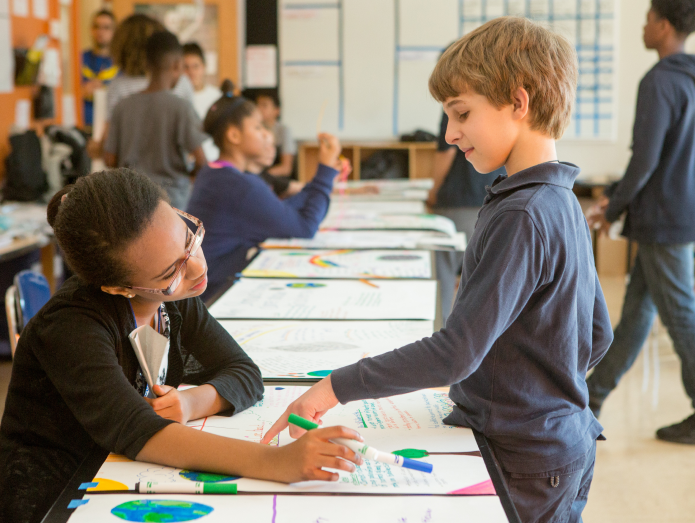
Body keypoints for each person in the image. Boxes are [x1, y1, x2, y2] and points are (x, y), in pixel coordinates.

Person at [261, 17, 613, 523]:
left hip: (525, 460)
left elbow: (456, 353)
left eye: (461, 113)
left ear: (519, 101)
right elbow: (597, 334)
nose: (449, 134)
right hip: (563, 444)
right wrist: (541, 389)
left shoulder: (522, 213)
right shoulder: (561, 199)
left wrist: (334, 386)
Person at [0, 169, 363, 523]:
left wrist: (193, 403)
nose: (196, 267)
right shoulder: (71, 327)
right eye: (170, 271)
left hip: (115, 478)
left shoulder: (172, 297)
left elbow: (245, 372)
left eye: (188, 238)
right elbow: (139, 431)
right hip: (53, 502)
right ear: (119, 288)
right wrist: (277, 462)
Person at [586, 0, 695, 444]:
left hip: (663, 219)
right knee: (635, 317)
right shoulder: (689, 79)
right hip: (679, 213)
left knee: (682, 317)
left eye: (649, 18)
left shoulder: (658, 81)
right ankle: (590, 400)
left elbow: (645, 159)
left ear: (664, 26)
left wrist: (610, 207)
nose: (643, 26)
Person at [186, 82, 343, 302]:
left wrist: (323, 177)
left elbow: (280, 211)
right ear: (234, 136)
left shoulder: (214, 173)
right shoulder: (240, 187)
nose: (265, 134)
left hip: (201, 292)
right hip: (214, 297)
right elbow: (305, 226)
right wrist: (325, 169)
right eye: (258, 127)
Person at [104, 31, 206, 209]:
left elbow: (110, 159)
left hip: (131, 202)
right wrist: (189, 175)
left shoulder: (123, 107)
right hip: (172, 203)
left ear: (147, 65)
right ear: (176, 65)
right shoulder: (181, 107)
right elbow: (201, 161)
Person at [426, 108, 505, 324]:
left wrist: (433, 191)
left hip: (457, 202)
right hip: (495, 197)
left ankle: (440, 330)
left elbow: (446, 151)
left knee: (443, 276)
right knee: (483, 281)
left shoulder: (455, 104)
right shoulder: (499, 102)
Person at [183, 42, 222, 161]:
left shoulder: (217, 97)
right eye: (186, 67)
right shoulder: (175, 98)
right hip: (183, 163)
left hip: (213, 160)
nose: (191, 72)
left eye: (195, 66)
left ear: (204, 67)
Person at [81, 10, 117, 132]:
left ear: (114, 32)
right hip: (83, 127)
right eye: (97, 27)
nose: (100, 32)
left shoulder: (120, 63)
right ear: (91, 30)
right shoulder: (80, 59)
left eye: (106, 28)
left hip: (109, 130)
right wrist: (82, 91)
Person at [246, 126, 304, 198]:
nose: (271, 151)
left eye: (273, 145)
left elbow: (299, 187)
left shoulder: (266, 176)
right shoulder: (247, 180)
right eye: (266, 145)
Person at [255, 90, 296, 178]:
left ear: (277, 110)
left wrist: (262, 176)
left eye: (264, 105)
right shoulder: (253, 130)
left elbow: (286, 168)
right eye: (257, 105)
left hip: (276, 179)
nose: (258, 109)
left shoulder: (283, 130)